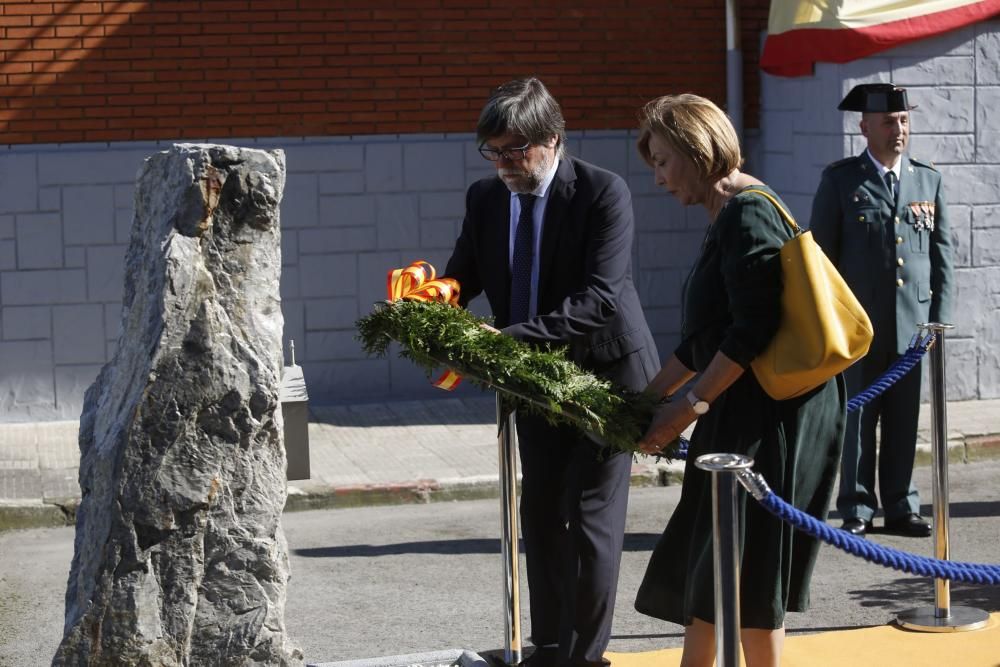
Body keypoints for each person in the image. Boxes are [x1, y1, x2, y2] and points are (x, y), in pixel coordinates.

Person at [444, 78, 659, 667]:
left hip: (605, 377)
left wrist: (507, 343)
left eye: (515, 152)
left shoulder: (600, 193)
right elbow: (462, 275)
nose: (504, 165)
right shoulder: (485, 198)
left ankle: (585, 657)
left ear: (553, 139)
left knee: (589, 516)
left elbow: (601, 299)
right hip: (531, 383)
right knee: (540, 509)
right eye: (493, 152)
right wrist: (427, 308)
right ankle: (548, 645)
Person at [631, 93, 846, 667]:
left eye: (662, 161)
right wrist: (647, 399)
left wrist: (684, 408)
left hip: (762, 420)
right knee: (712, 564)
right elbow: (708, 336)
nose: (657, 178)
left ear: (695, 150)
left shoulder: (745, 210)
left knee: (748, 574)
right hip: (736, 409)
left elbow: (750, 333)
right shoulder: (727, 211)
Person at [810, 83, 954, 538]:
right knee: (856, 419)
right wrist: (830, 322)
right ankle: (856, 508)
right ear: (865, 127)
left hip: (912, 327)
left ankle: (900, 505)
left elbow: (941, 257)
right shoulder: (840, 180)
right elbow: (822, 259)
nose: (900, 129)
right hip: (859, 328)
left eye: (905, 120)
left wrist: (937, 320)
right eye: (890, 122)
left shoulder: (927, 179)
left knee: (904, 420)